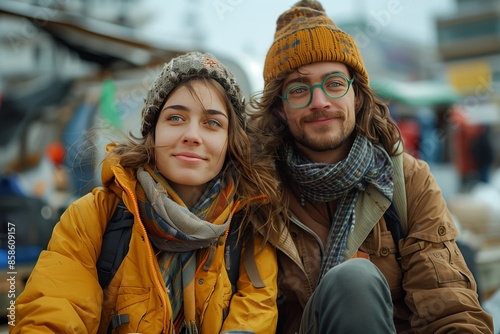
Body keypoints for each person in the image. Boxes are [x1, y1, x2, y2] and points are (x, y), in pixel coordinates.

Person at [247, 1, 495, 333]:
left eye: (334, 83)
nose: (319, 101)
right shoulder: (257, 191)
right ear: (279, 108)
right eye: (299, 89)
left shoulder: (406, 179)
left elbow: (448, 303)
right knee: (354, 279)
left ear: (357, 96)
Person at [12, 52, 282, 334]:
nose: (192, 135)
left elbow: (255, 316)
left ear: (230, 141)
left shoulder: (250, 228)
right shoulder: (93, 217)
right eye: (176, 118)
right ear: (152, 133)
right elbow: (53, 310)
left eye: (212, 123)